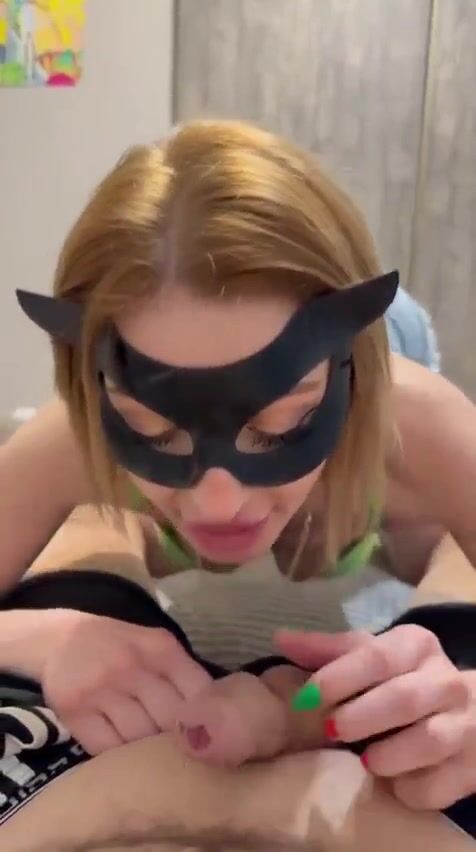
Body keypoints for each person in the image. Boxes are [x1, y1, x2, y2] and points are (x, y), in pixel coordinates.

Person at [2, 119, 476, 810]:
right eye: (152, 430)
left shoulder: (419, 423)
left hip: (386, 404)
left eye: (282, 424)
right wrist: (45, 636)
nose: (219, 502)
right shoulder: (72, 438)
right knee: (104, 535)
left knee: (427, 552)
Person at [0, 508, 474, 850]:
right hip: (432, 786)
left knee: (96, 521)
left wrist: (30, 636)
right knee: (458, 562)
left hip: (40, 753)